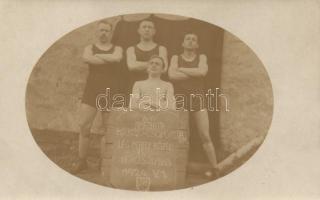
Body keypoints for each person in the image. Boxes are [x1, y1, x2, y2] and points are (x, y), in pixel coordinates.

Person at [71, 20, 123, 173]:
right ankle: (82, 161)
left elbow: (117, 58)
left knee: (107, 129)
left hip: (109, 91)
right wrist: (107, 58)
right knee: (84, 126)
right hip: (91, 90)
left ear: (110, 33)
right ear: (97, 32)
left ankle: (103, 162)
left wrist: (98, 57)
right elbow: (87, 58)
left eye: (106, 31)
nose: (103, 33)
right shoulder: (89, 48)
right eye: (101, 30)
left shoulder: (117, 48)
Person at [168, 33, 219, 177]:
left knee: (204, 134)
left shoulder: (201, 57)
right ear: (182, 43)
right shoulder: (175, 58)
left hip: (197, 99)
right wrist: (193, 73)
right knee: (177, 134)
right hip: (179, 99)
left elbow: (202, 72)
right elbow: (172, 76)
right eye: (187, 39)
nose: (190, 42)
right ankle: (172, 168)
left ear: (197, 45)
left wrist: (181, 70)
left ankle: (215, 168)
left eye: (194, 40)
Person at [126, 20, 168, 92]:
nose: (147, 29)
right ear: (139, 30)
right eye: (144, 27)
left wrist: (139, 64)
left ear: (154, 31)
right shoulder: (131, 49)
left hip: (156, 87)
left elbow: (164, 69)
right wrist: (156, 65)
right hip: (136, 87)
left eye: (150, 27)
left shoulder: (161, 49)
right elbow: (131, 66)